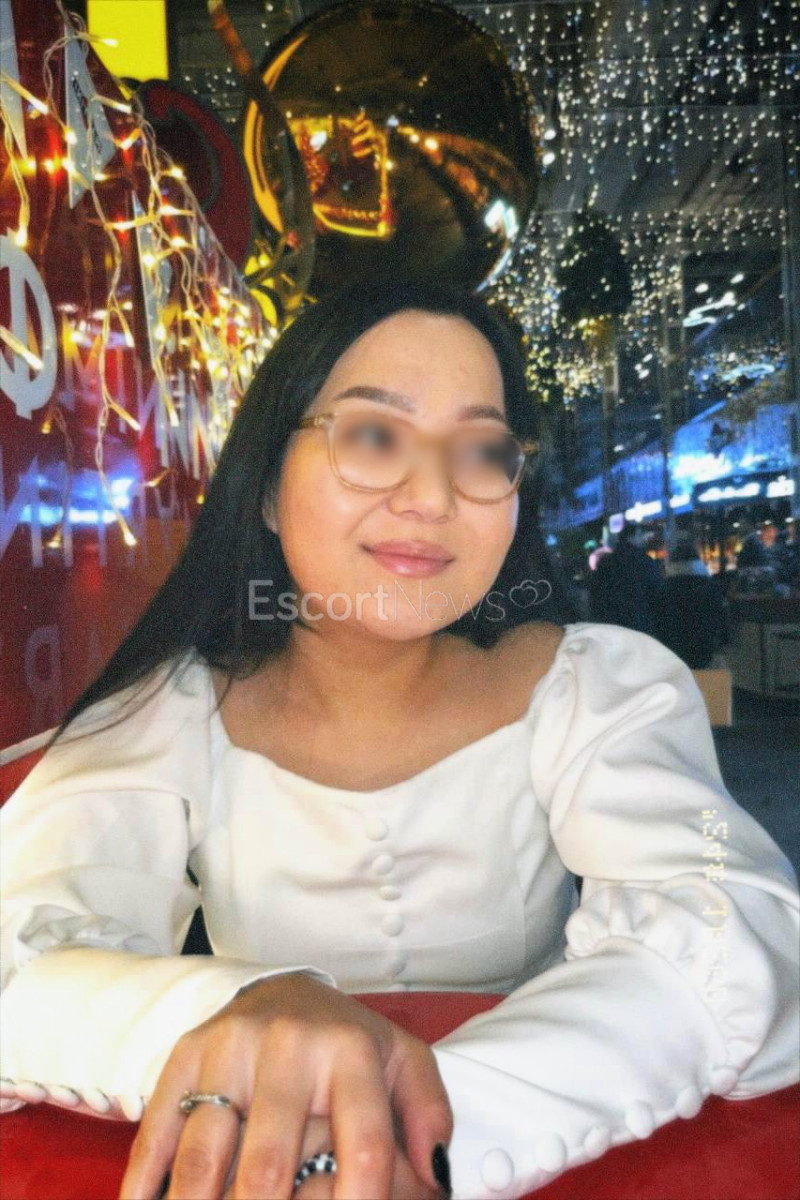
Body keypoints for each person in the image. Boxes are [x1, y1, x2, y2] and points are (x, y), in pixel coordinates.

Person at [1, 281, 798, 1200]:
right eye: (375, 437)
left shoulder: (599, 687)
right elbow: (19, 951)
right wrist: (243, 1012)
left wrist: (431, 1127)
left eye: (483, 450)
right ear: (266, 487)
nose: (430, 497)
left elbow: (732, 923)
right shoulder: (168, 709)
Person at [656, 533, 729, 669]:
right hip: (704, 648)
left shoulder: (665, 589)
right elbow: (720, 615)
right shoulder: (709, 586)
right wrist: (723, 640)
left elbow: (659, 622)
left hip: (675, 651)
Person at [588, 522, 664, 637]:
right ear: (633, 536)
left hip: (612, 627)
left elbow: (595, 596)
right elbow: (657, 593)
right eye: (641, 534)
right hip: (641, 624)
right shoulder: (643, 561)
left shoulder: (606, 563)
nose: (643, 538)